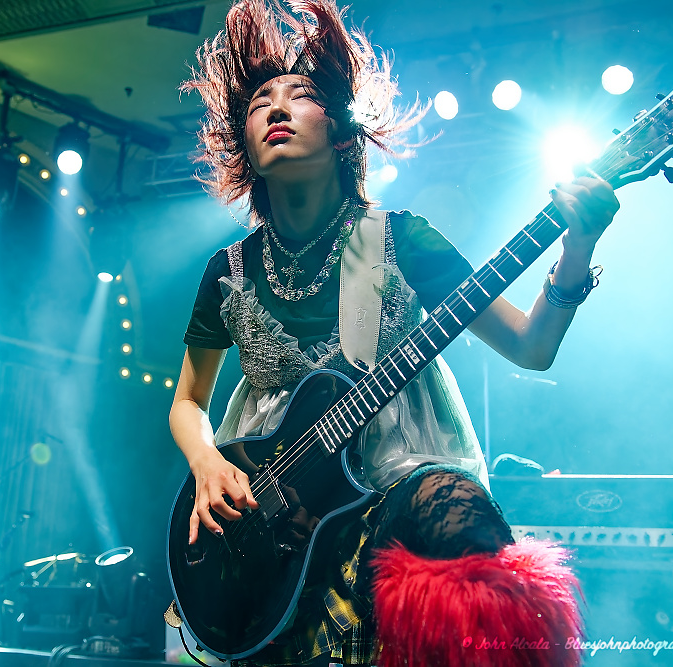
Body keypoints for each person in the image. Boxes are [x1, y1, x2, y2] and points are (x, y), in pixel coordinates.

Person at [169, 1, 619, 665]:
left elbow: (531, 346)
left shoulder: (401, 239)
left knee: (465, 522)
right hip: (267, 511)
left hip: (388, 478)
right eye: (261, 100)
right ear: (245, 140)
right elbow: (188, 401)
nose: (277, 108)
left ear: (344, 134)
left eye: (301, 95)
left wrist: (576, 250)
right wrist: (207, 462)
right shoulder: (226, 272)